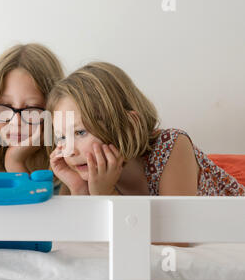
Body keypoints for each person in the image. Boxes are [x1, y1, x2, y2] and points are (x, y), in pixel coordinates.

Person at [47, 61, 245, 197]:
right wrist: (80, 189)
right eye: (61, 137)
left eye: (80, 132)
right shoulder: (91, 176)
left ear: (129, 127)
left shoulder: (171, 146)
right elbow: (87, 239)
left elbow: (175, 240)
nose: (69, 150)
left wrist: (106, 195)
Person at [0, 43, 64, 175]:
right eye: (6, 106)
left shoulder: (65, 149)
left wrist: (14, 161)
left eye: (31, 109)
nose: (16, 122)